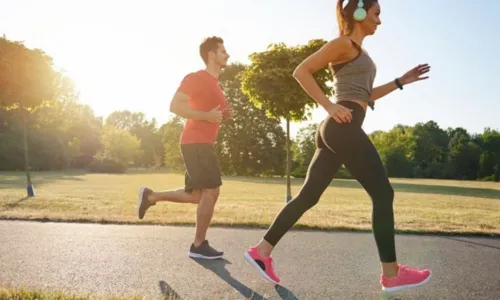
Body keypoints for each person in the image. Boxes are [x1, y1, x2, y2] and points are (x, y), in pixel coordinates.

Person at [244, 0, 432, 293]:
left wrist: (400, 81)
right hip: (341, 125)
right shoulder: (342, 43)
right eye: (376, 14)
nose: (379, 21)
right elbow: (301, 71)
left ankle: (261, 251)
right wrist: (329, 106)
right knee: (383, 193)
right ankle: (391, 273)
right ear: (359, 13)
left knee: (308, 196)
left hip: (340, 127)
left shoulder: (360, 51)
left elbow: (366, 95)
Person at [136, 36, 233, 260]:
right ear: (211, 54)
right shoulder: (197, 78)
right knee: (212, 191)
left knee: (197, 195)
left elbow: (211, 113)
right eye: (223, 51)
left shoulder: (215, 83)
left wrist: (222, 115)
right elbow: (174, 106)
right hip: (195, 141)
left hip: (202, 142)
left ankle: (150, 196)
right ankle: (198, 245)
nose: (227, 55)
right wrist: (206, 116)